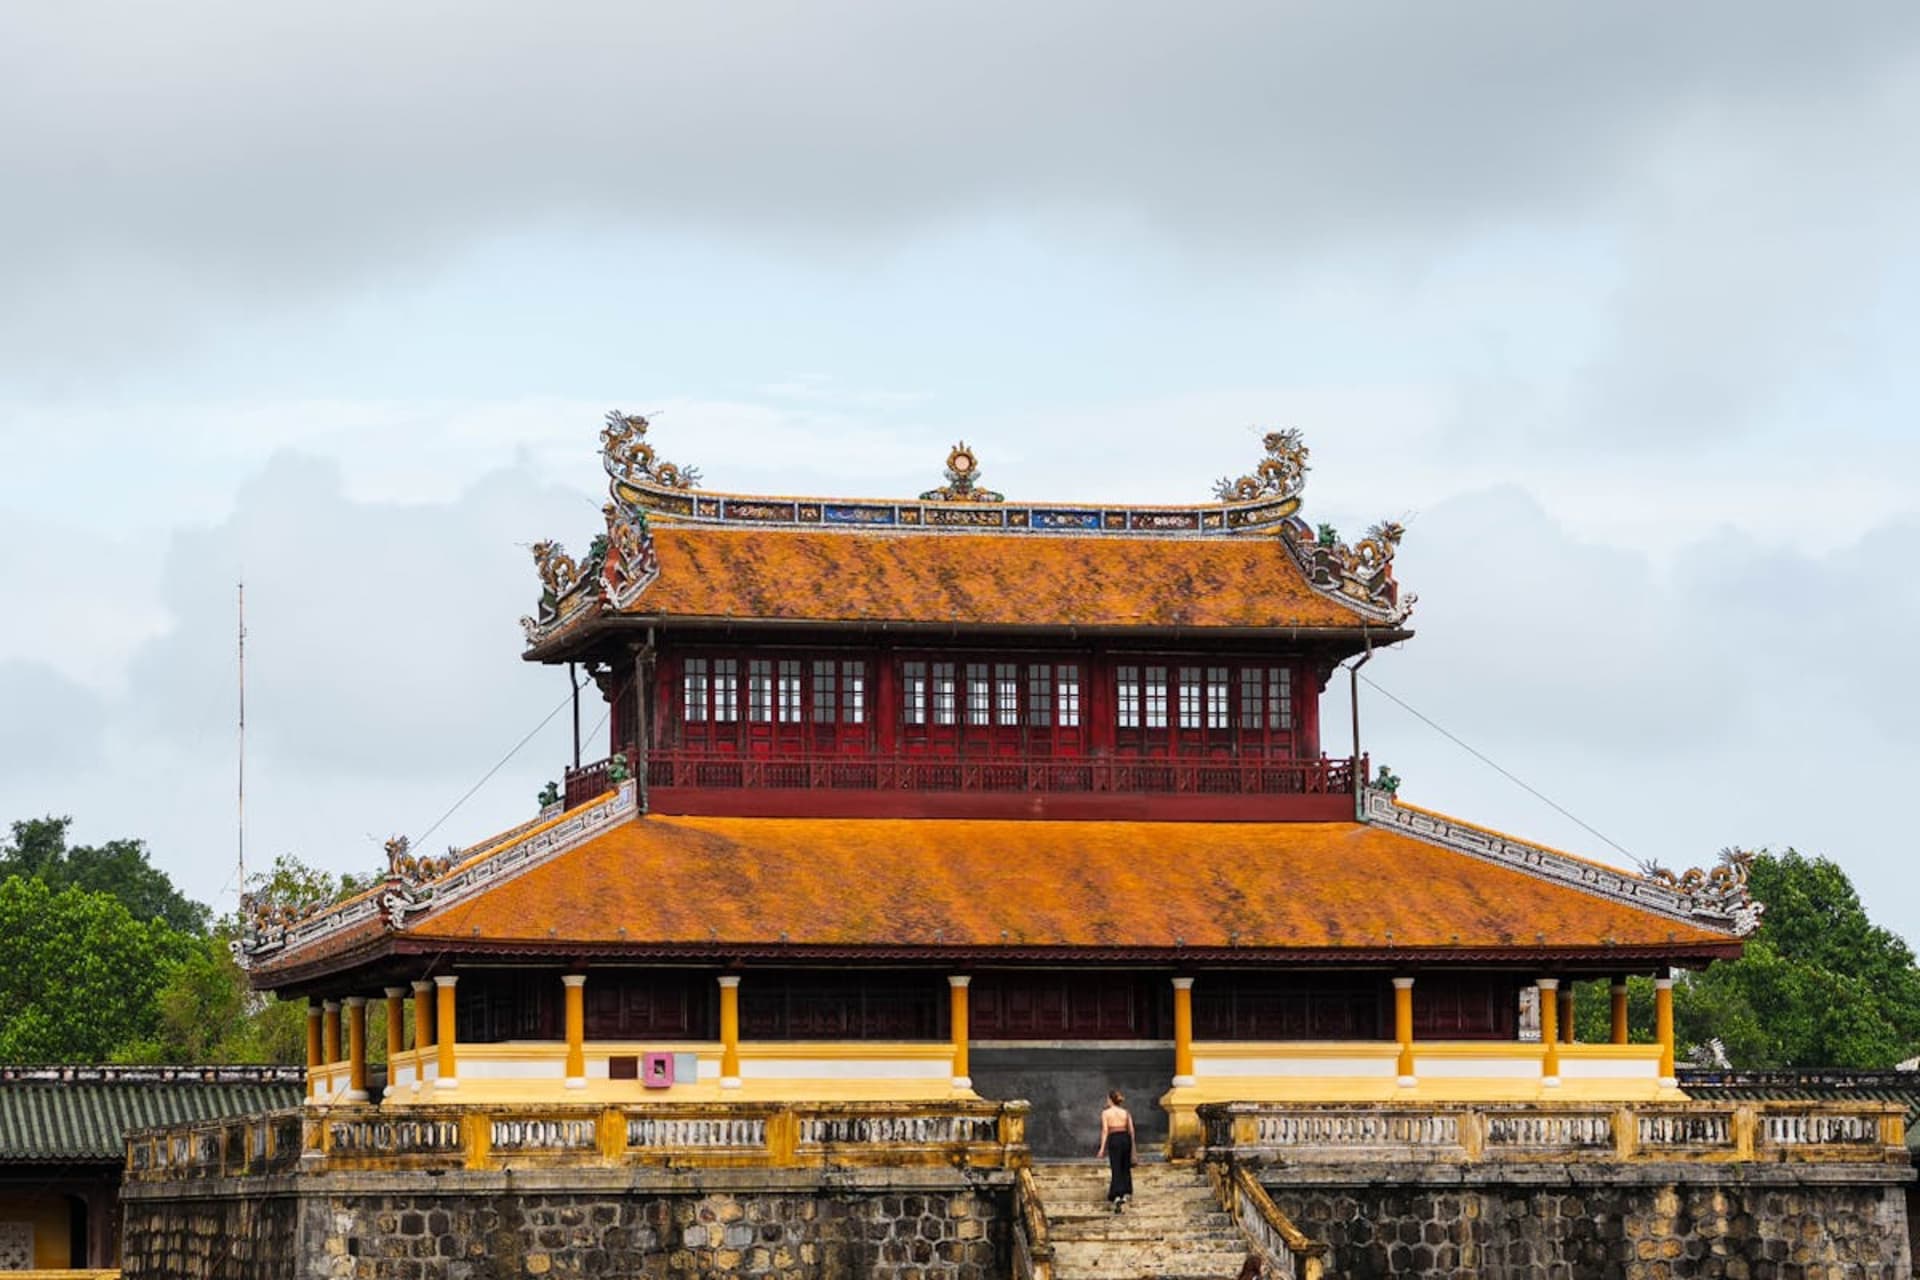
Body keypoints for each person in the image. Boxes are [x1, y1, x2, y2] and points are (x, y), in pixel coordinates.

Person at [1095, 1089, 1136, 1212]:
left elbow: (1105, 1131)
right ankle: (1126, 1191)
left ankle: (1117, 1193)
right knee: (1125, 1166)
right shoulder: (1125, 1112)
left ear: (1110, 1100)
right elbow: (1131, 1130)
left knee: (1116, 1166)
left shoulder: (1106, 1113)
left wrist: (1102, 1148)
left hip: (1114, 1139)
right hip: (1125, 1138)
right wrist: (1133, 1146)